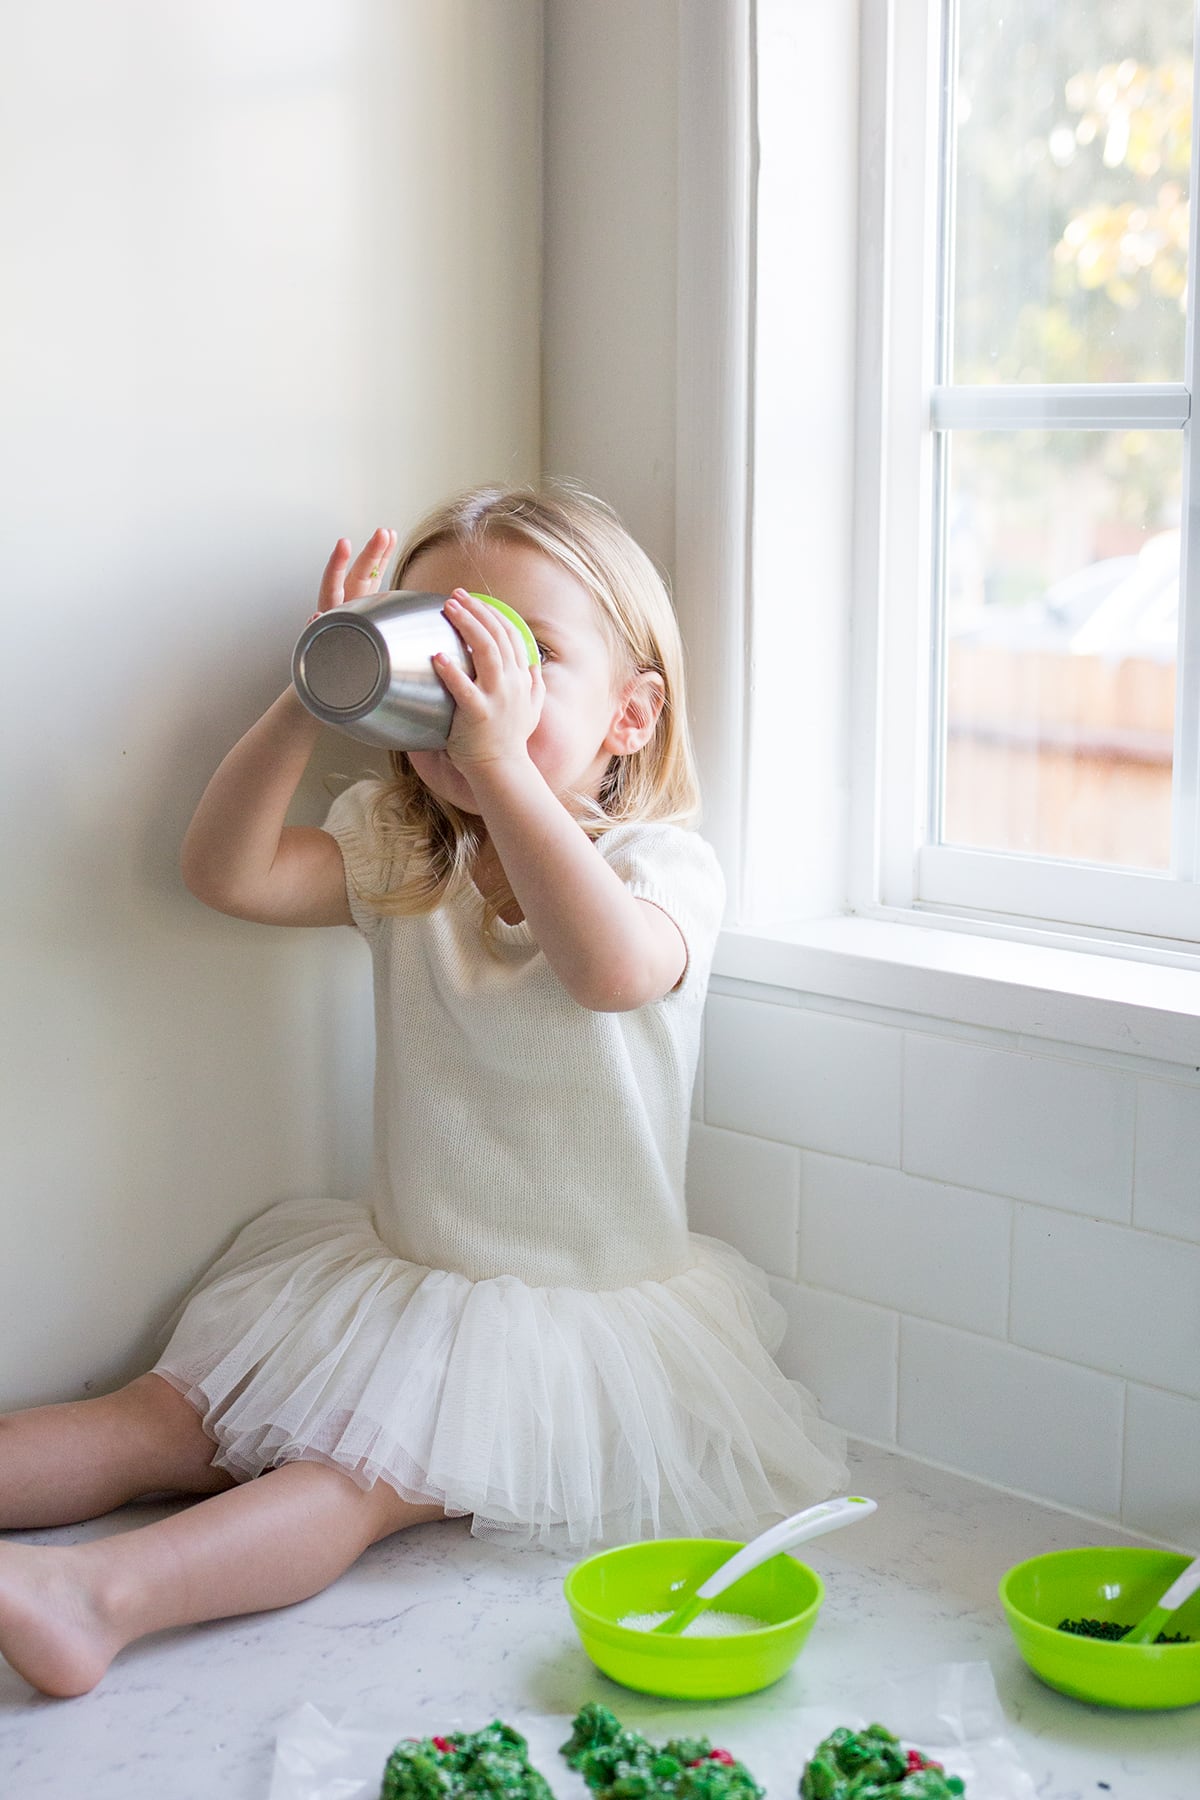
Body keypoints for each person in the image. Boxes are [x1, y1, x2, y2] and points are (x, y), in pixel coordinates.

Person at [0, 484, 845, 1698]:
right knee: (162, 1419)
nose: (468, 690)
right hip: (391, 1273)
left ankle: (94, 1601)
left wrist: (500, 771)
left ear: (630, 714)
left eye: (526, 654)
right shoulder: (408, 854)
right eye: (445, 649)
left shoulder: (660, 866)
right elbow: (223, 870)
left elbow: (609, 972)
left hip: (562, 1322)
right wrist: (311, 695)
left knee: (349, 1483)